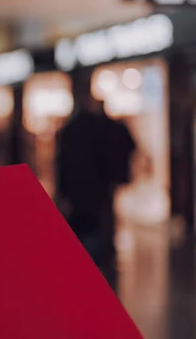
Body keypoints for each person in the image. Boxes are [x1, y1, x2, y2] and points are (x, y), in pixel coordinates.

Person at [56, 90, 135, 285]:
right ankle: (98, 262)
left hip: (78, 191)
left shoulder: (70, 130)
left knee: (82, 227)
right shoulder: (101, 129)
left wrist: (62, 190)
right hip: (98, 189)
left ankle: (84, 263)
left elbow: (61, 163)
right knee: (99, 226)